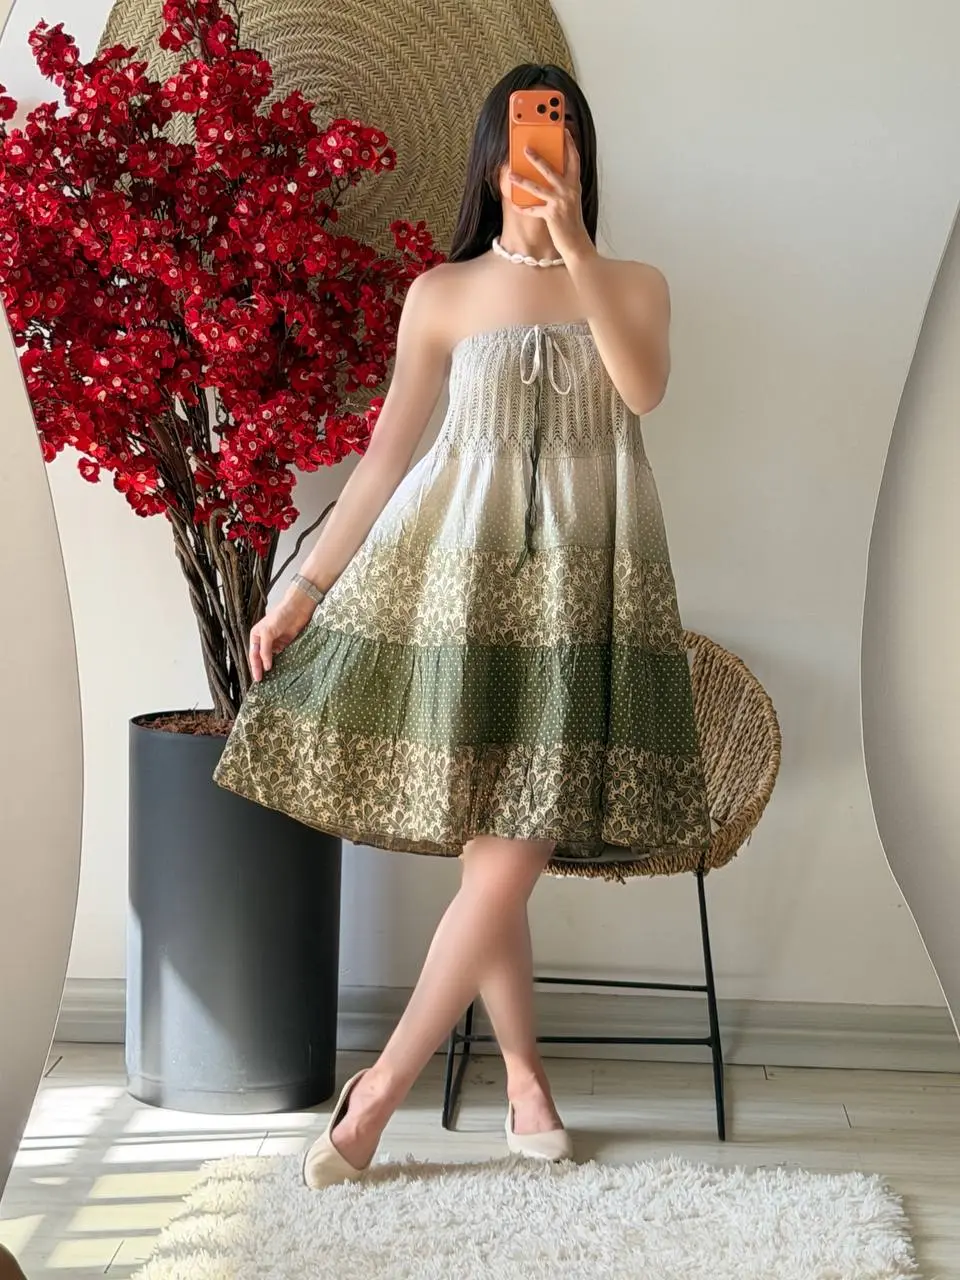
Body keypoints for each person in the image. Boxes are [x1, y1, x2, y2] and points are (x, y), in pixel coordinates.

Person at [213, 63, 711, 1187]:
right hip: (456, 588)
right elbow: (387, 455)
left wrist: (572, 243)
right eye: (528, 133)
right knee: (499, 846)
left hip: (584, 593)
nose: (544, 149)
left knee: (510, 845)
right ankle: (526, 1082)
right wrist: (303, 588)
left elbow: (641, 392)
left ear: (581, 155)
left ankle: (380, 1090)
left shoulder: (634, 284)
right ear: (492, 158)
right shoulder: (441, 292)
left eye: (562, 132)